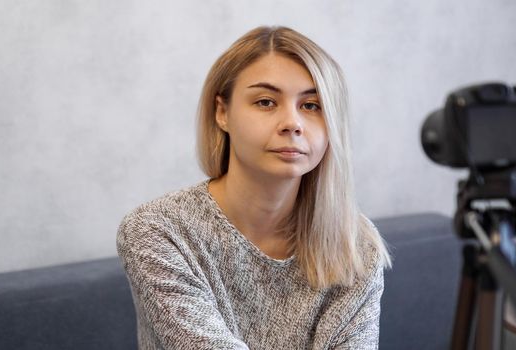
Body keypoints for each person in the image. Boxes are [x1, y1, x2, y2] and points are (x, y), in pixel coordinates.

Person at [117, 25, 392, 350]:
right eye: (265, 102)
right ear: (222, 113)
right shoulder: (158, 232)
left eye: (311, 106)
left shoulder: (355, 245)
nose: (292, 123)